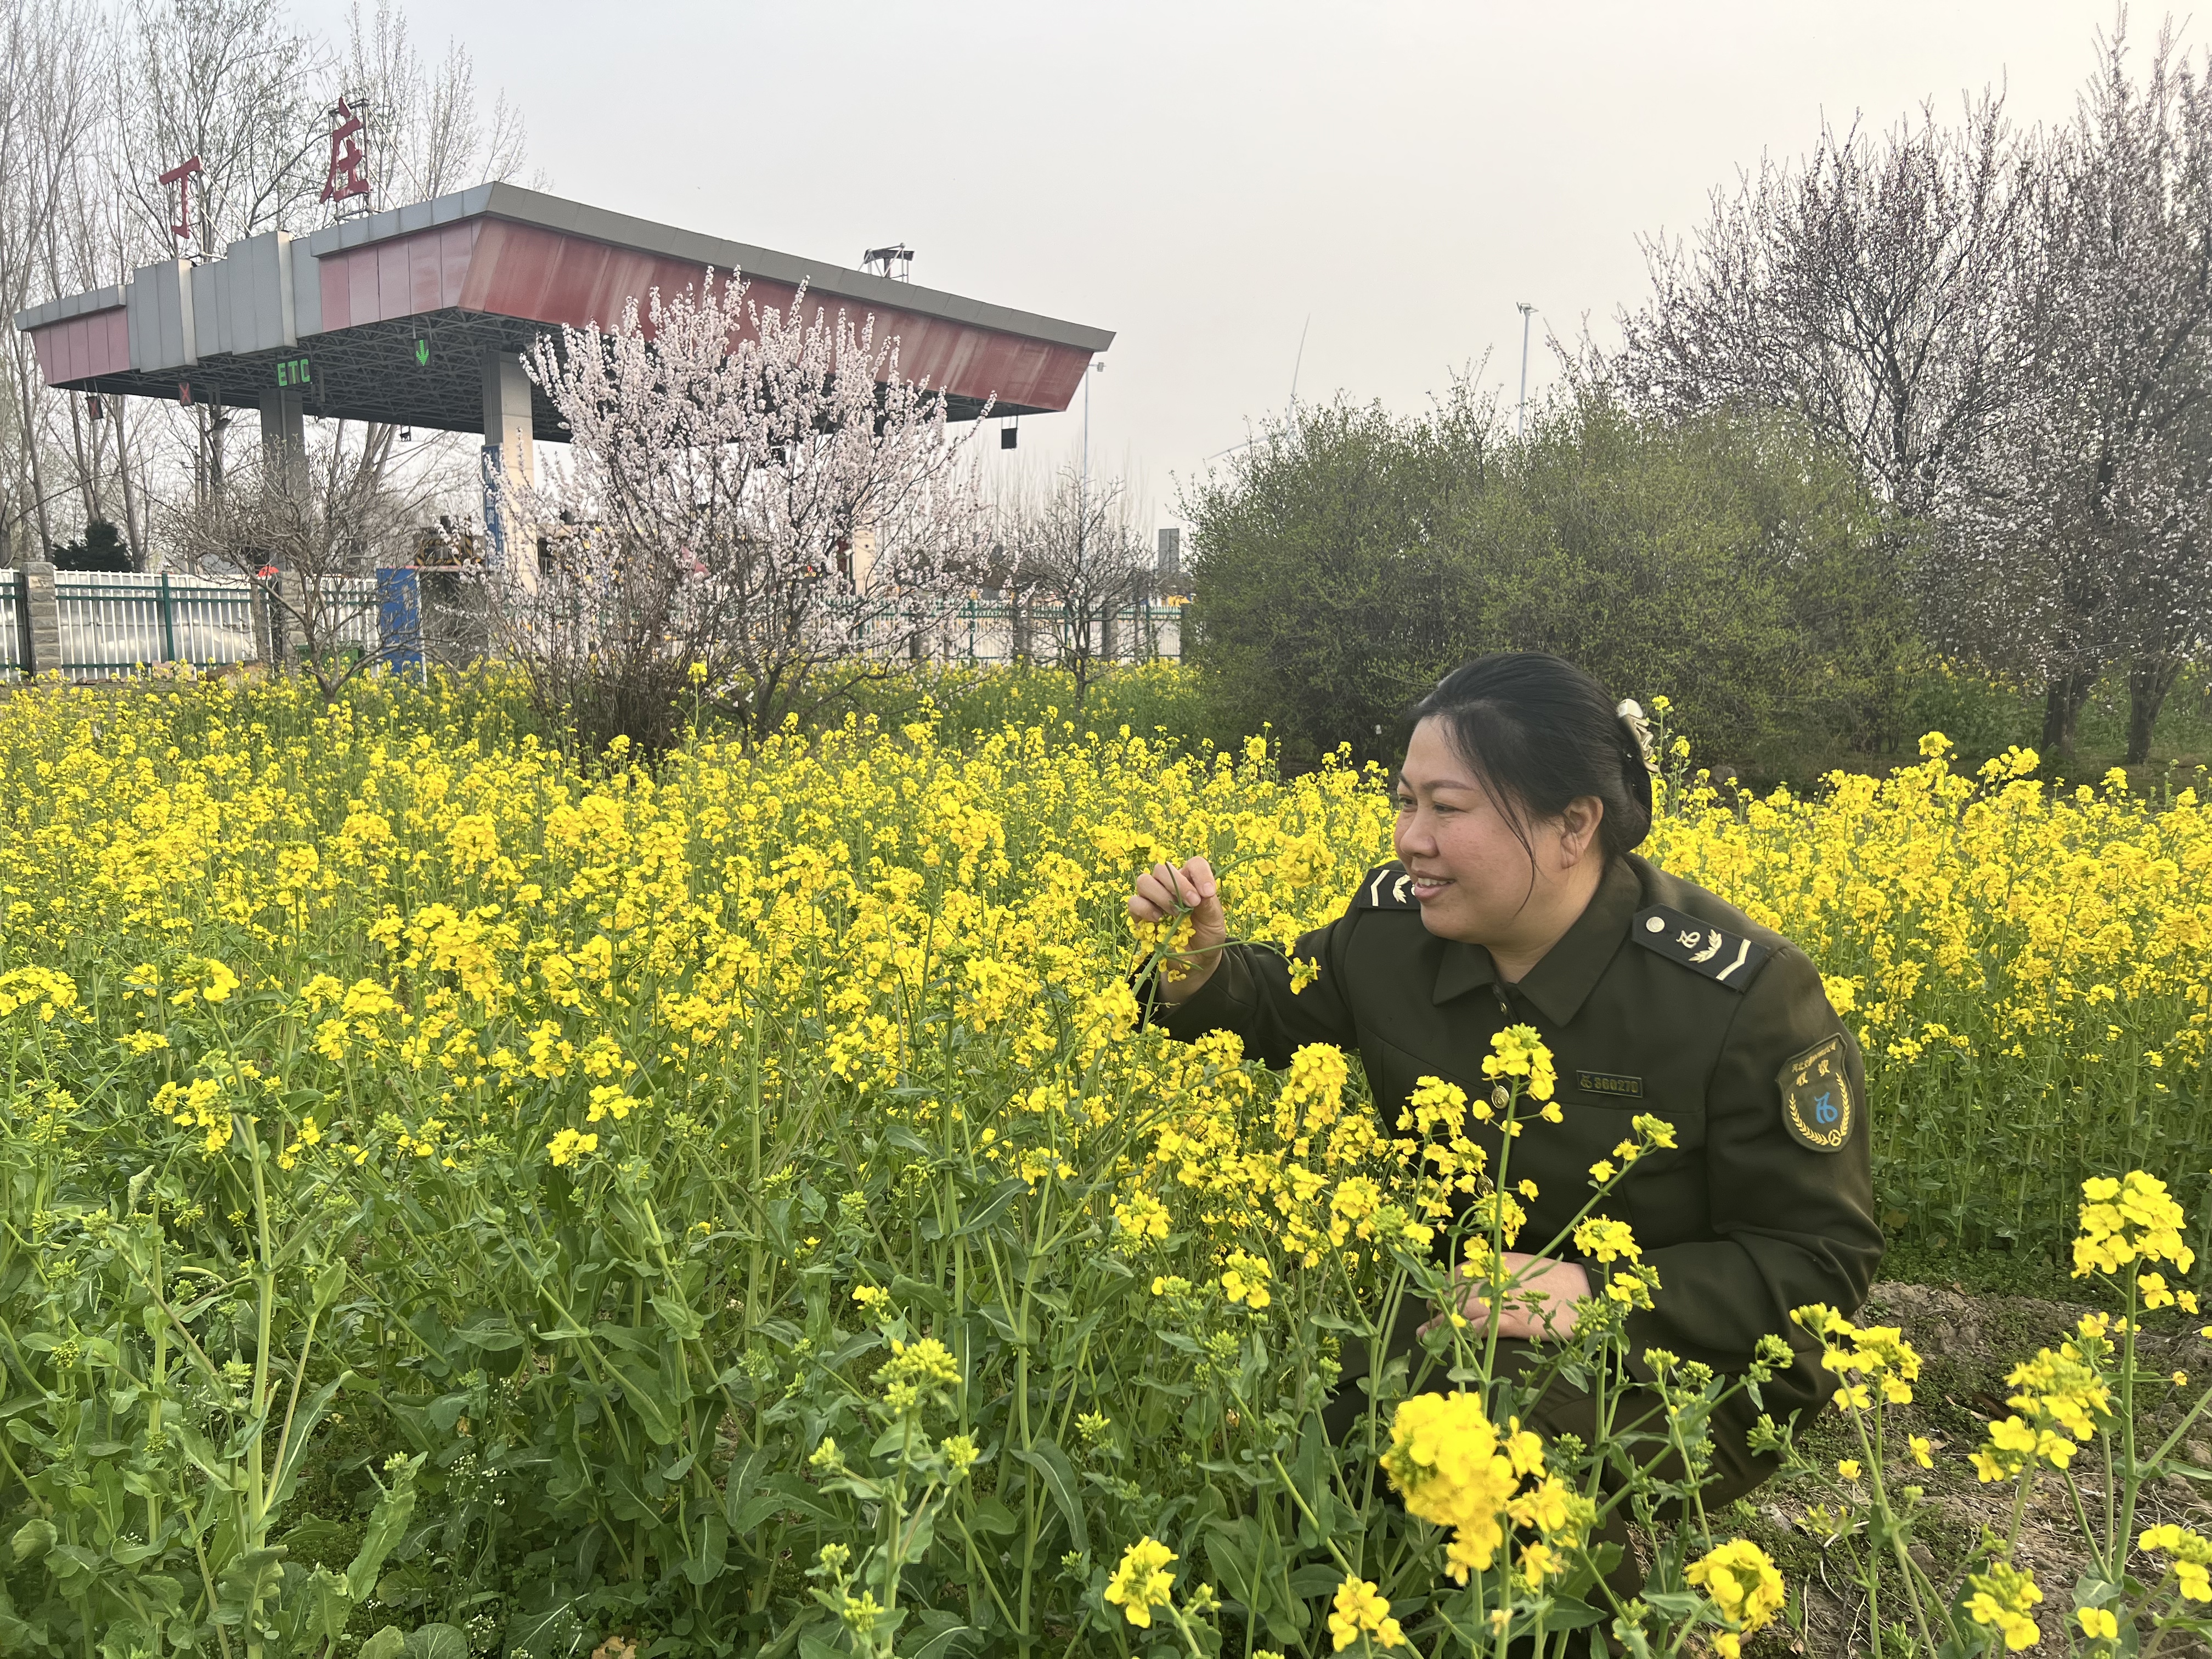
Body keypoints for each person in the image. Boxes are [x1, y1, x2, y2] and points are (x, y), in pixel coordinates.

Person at [1126, 652, 1881, 1587]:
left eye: (1448, 809)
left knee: (1490, 1473)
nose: (1411, 839)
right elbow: (1280, 1002)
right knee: (1304, 1482)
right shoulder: (1395, 931)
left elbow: (1818, 1259)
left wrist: (1596, 1293)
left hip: (1689, 1362)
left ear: (1573, 825)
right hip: (1454, 1323)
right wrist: (1195, 967)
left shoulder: (1738, 995)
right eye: (1405, 802)